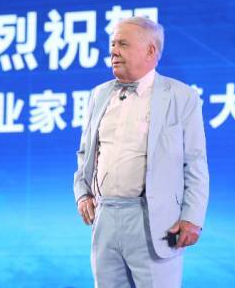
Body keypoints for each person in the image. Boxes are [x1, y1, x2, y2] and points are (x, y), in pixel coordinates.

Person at [73, 16, 209, 288]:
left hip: (153, 219)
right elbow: (85, 153)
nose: (113, 51)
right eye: (112, 44)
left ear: (151, 51)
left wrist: (192, 217)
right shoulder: (99, 94)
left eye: (122, 44)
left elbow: (194, 161)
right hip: (105, 216)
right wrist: (82, 193)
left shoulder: (180, 96)